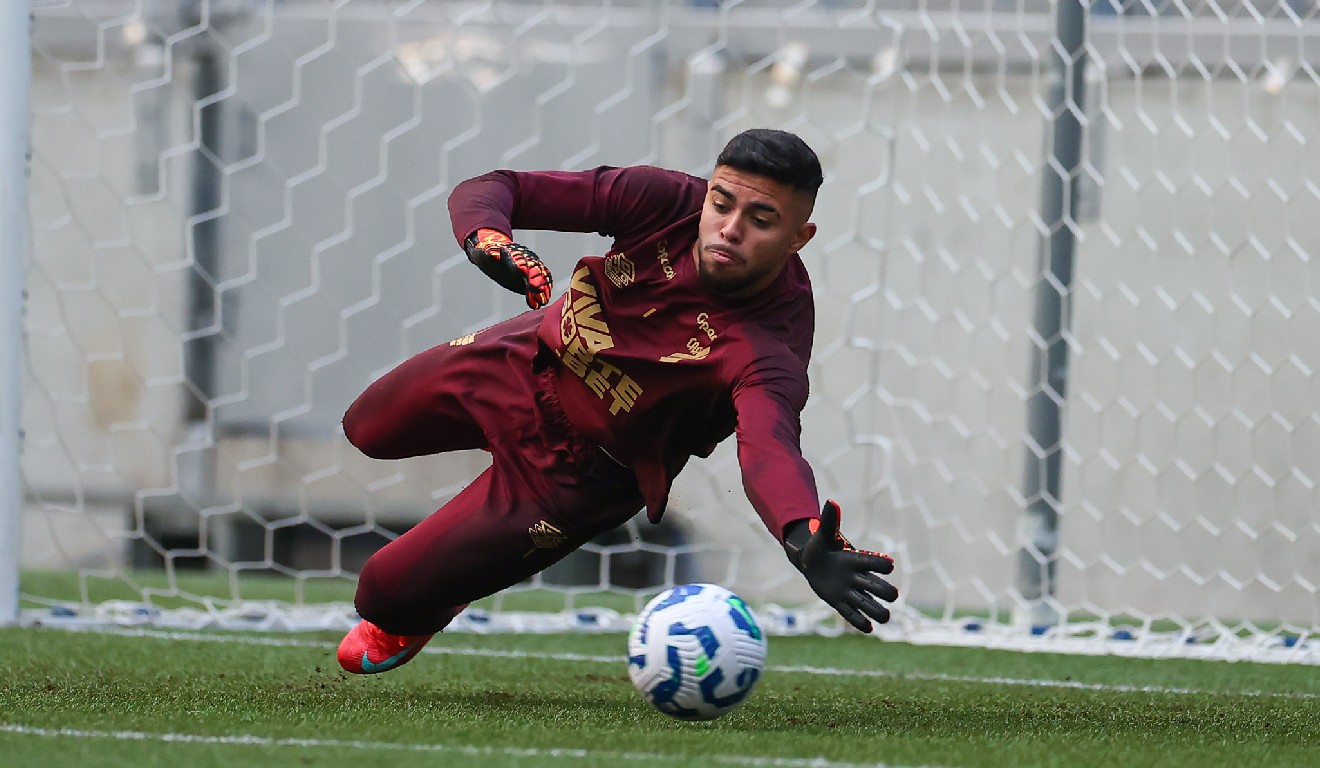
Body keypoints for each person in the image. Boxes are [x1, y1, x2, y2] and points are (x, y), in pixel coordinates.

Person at [336, 128, 899, 674]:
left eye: (761, 220)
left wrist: (800, 535)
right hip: (519, 362)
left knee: (381, 594)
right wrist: (487, 239)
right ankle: (448, 570)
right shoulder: (659, 200)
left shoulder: (768, 345)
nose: (729, 230)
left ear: (799, 237)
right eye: (722, 203)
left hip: (576, 474)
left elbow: (768, 448)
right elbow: (496, 187)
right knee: (366, 427)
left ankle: (431, 600)